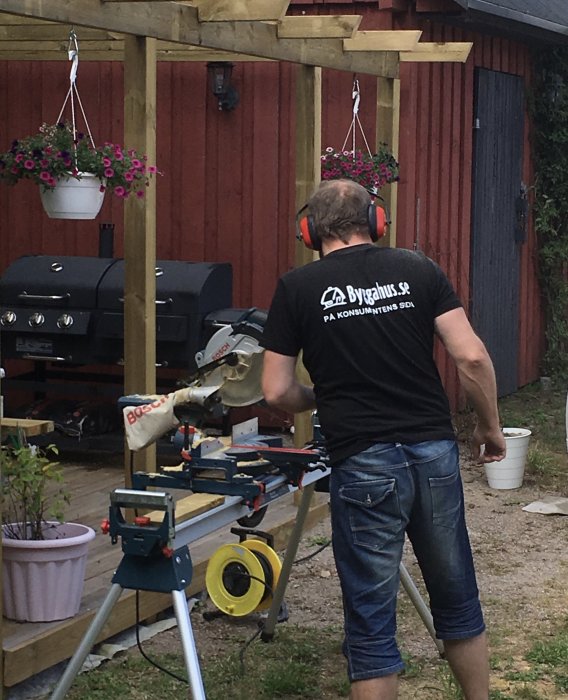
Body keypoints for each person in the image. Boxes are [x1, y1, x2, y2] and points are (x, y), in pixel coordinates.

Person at [260, 179, 506, 700]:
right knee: (457, 600)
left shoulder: (296, 288)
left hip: (363, 463)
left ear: (310, 231)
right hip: (434, 454)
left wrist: (318, 396)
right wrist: (489, 426)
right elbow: (472, 357)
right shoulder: (418, 268)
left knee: (371, 628)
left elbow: (277, 391)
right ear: (376, 222)